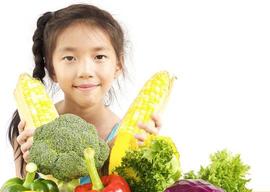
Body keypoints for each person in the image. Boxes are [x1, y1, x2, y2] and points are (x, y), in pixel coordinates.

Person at [7, 3, 162, 179]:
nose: (85, 71)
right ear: (52, 69)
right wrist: (33, 167)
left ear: (118, 65)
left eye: (99, 57)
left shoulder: (131, 135)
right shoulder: (29, 130)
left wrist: (146, 160)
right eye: (69, 58)